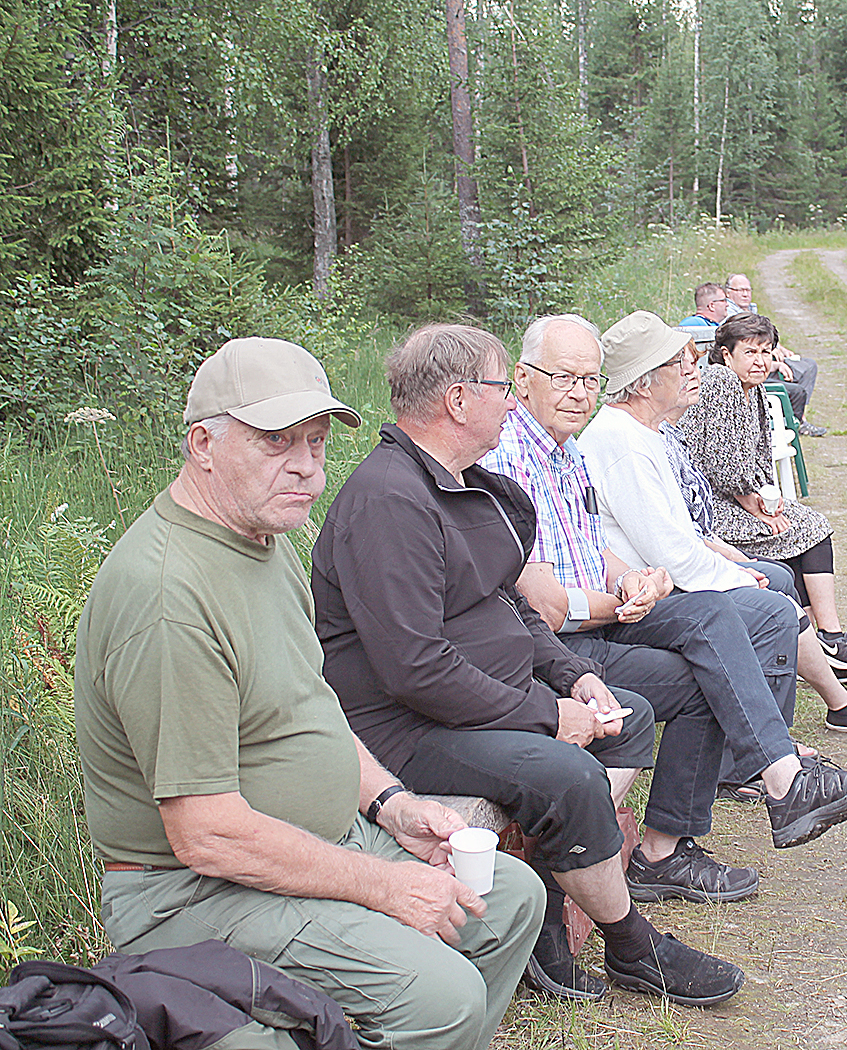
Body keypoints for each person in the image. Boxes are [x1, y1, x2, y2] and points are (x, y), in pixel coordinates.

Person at [73, 337, 543, 1050]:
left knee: (508, 900)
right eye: (276, 443)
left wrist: (393, 803)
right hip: (192, 895)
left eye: (317, 444)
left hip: (327, 838)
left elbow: (308, 711)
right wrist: (381, 886)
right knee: (440, 996)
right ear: (203, 443)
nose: (306, 469)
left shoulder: (264, 539)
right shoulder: (168, 595)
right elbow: (206, 834)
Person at [312, 323, 745, 1007]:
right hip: (401, 728)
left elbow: (505, 604)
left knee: (622, 718)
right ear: (457, 400)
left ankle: (546, 903)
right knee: (564, 769)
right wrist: (547, 713)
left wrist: (570, 675)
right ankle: (632, 944)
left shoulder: (461, 484)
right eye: (498, 388)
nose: (512, 403)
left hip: (471, 700)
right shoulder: (389, 501)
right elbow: (415, 669)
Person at [482, 314, 847, 838]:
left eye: (590, 380)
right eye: (564, 378)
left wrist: (636, 579)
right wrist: (637, 596)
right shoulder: (520, 456)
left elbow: (597, 549)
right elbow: (548, 607)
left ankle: (710, 819)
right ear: (522, 379)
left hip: (607, 611)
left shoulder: (565, 450)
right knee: (738, 618)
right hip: (560, 646)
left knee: (723, 612)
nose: (580, 394)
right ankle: (766, 780)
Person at [579, 310, 847, 738]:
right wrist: (736, 576)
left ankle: (789, 726)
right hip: (640, 594)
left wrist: (733, 564)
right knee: (773, 608)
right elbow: (673, 554)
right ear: (644, 380)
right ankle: (761, 757)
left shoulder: (642, 431)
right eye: (678, 365)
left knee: (778, 583)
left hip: (661, 577)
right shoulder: (624, 444)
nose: (688, 372)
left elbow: (682, 532)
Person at [676, 312, 847, 678]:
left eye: (766, 352)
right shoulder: (721, 382)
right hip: (705, 507)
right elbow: (724, 464)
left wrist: (768, 500)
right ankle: (828, 639)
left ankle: (821, 644)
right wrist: (754, 506)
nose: (760, 361)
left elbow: (755, 459)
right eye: (750, 352)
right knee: (807, 529)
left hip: (731, 496)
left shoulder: (750, 388)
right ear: (725, 355)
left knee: (806, 525)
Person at [725, 273, 825, 436]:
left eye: (748, 290)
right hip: (759, 365)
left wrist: (780, 348)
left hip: (770, 357)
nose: (745, 294)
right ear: (728, 293)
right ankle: (795, 419)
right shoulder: (731, 315)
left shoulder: (751, 309)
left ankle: (799, 416)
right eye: (740, 290)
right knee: (795, 386)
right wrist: (772, 357)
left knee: (809, 366)